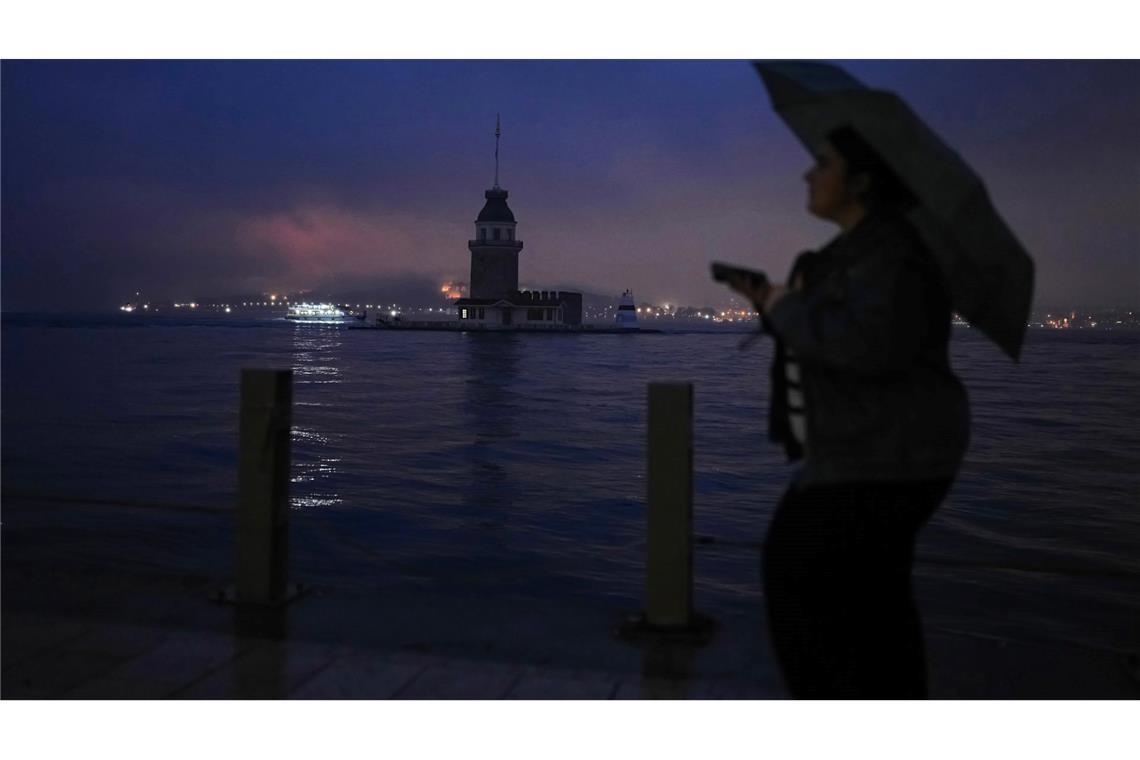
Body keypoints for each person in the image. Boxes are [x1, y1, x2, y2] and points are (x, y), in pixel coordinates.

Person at [723, 126, 970, 698]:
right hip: (883, 446)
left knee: (800, 573)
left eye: (823, 163)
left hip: (887, 453)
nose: (808, 175)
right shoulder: (863, 252)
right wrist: (781, 298)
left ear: (861, 180)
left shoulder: (892, 255)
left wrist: (782, 305)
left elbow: (863, 346)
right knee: (876, 602)